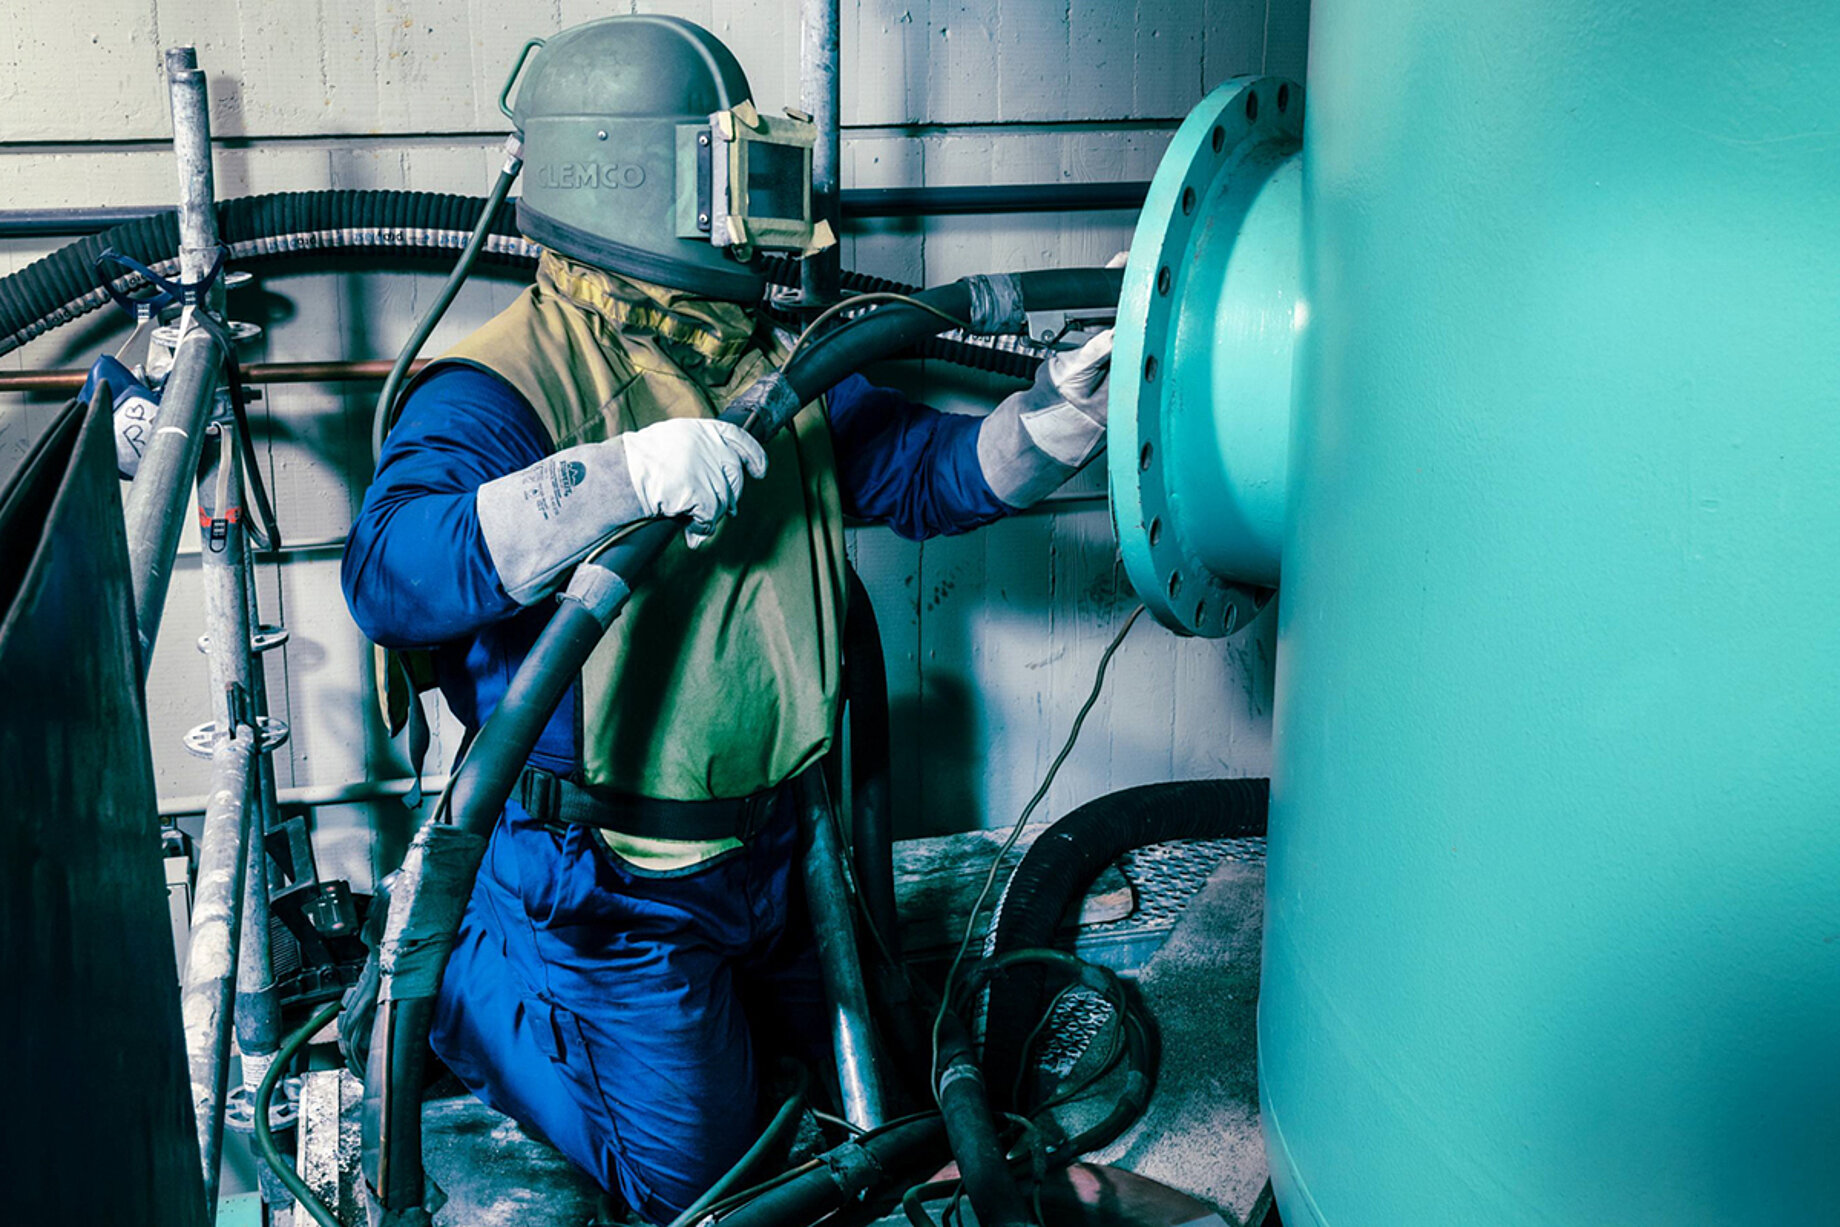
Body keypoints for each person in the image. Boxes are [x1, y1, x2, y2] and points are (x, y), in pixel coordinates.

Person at [340, 14, 1114, 1223]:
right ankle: (455, 985)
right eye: (738, 176)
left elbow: (928, 475)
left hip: (773, 850)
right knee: (706, 1188)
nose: (770, 212)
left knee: (881, 1112)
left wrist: (1059, 421)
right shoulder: (503, 381)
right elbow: (389, 572)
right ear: (643, 174)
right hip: (606, 881)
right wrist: (616, 476)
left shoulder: (758, 354)